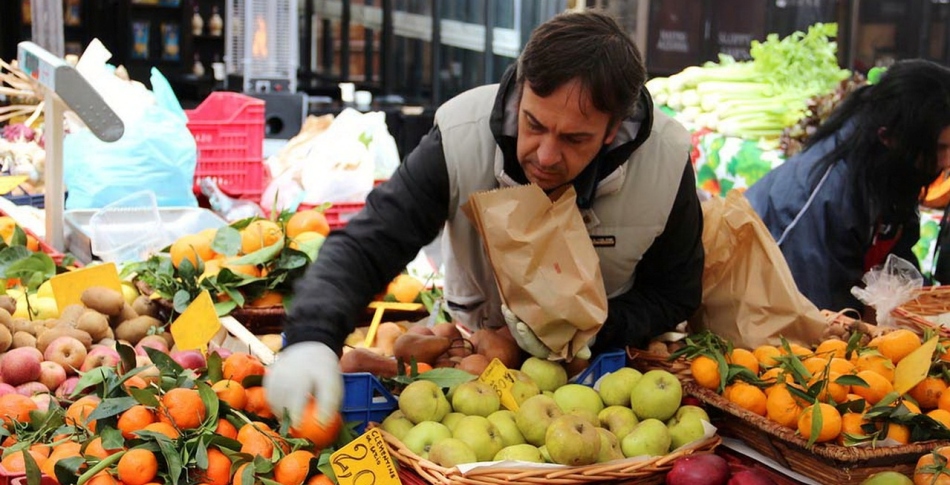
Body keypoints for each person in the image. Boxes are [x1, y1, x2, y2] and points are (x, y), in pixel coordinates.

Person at [263, 10, 704, 427]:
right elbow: (371, 241)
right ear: (522, 90)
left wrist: (590, 331)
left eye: (575, 139)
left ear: (613, 130)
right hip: (470, 368)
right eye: (533, 124)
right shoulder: (461, 134)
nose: (546, 155)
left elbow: (675, 291)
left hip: (601, 389)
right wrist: (312, 337)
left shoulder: (662, 163)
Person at [745, 59, 950, 313]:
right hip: (769, 316)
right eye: (941, 148)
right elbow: (815, 311)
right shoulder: (822, 193)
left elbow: (896, 260)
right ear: (889, 137)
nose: (947, 161)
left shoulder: (894, 168)